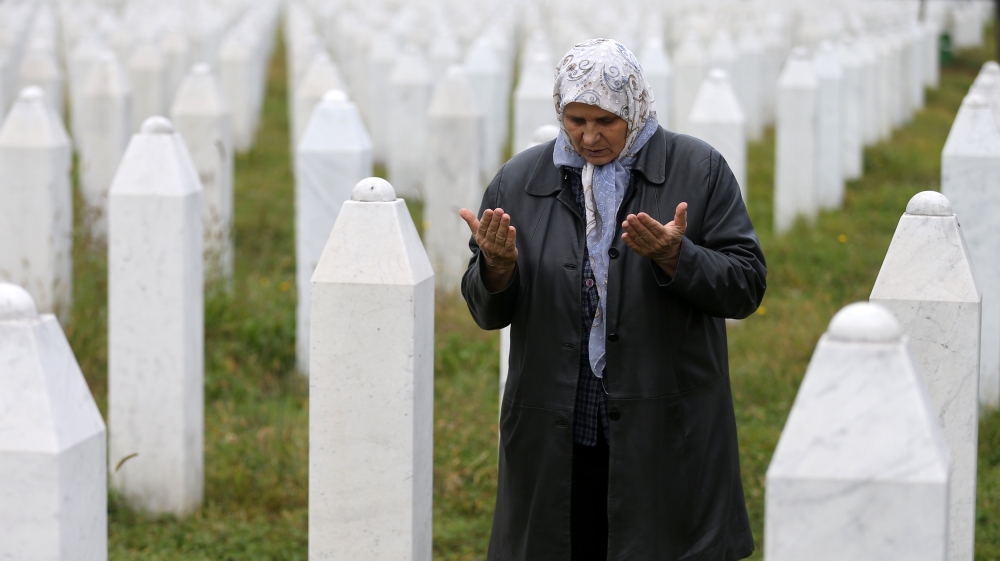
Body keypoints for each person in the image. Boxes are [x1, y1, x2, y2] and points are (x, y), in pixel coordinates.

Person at [460, 38, 766, 560]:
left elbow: (746, 285)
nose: (589, 136)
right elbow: (487, 310)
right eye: (575, 120)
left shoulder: (699, 169)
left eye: (605, 120)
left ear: (634, 107)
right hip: (558, 425)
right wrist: (496, 268)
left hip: (663, 429)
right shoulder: (521, 180)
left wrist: (677, 257)